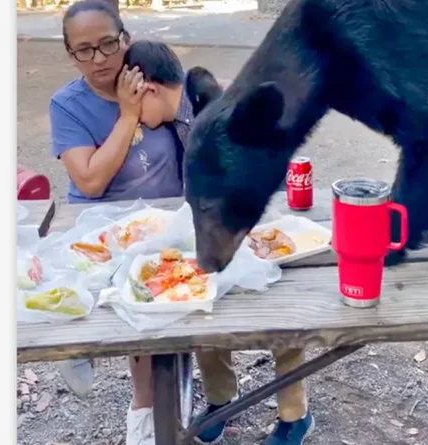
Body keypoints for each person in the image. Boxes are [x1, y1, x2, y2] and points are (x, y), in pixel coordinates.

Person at [123, 40, 314, 445]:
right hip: (212, 229)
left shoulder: (212, 119)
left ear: (150, 89)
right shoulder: (178, 115)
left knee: (279, 317)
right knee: (201, 306)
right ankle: (221, 399)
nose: (135, 117)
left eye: (135, 103)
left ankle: (294, 414)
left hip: (260, 222)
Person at [46, 2, 184, 444]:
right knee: (136, 318)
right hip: (104, 233)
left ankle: (176, 398)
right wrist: (127, 115)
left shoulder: (151, 75)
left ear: (125, 38)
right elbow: (88, 179)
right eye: (84, 50)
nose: (99, 58)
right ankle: (144, 416)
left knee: (179, 318)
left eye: (107, 43)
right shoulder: (68, 105)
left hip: (167, 225)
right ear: (71, 56)